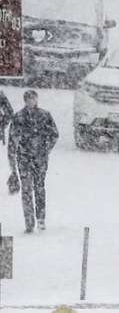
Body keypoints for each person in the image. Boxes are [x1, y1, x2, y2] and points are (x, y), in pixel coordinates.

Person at [7, 90, 59, 233]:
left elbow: (54, 134)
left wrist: (46, 149)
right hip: (24, 159)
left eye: (33, 98)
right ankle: (29, 221)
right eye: (29, 99)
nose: (31, 101)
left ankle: (41, 218)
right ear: (25, 100)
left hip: (40, 159)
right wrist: (12, 163)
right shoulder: (18, 117)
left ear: (37, 99)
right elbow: (12, 141)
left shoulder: (44, 115)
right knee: (26, 190)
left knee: (39, 187)